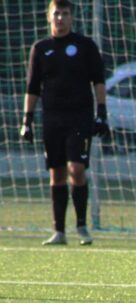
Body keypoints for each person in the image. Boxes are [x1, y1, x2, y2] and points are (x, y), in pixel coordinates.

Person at [21, 0, 110, 246]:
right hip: (52, 119)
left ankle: (82, 226)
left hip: (79, 118)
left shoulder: (85, 46)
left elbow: (98, 81)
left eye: (65, 13)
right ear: (48, 17)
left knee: (77, 170)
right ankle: (59, 231)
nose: (60, 18)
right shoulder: (40, 48)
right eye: (56, 13)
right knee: (57, 173)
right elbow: (32, 87)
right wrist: (27, 120)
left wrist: (102, 113)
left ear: (72, 17)